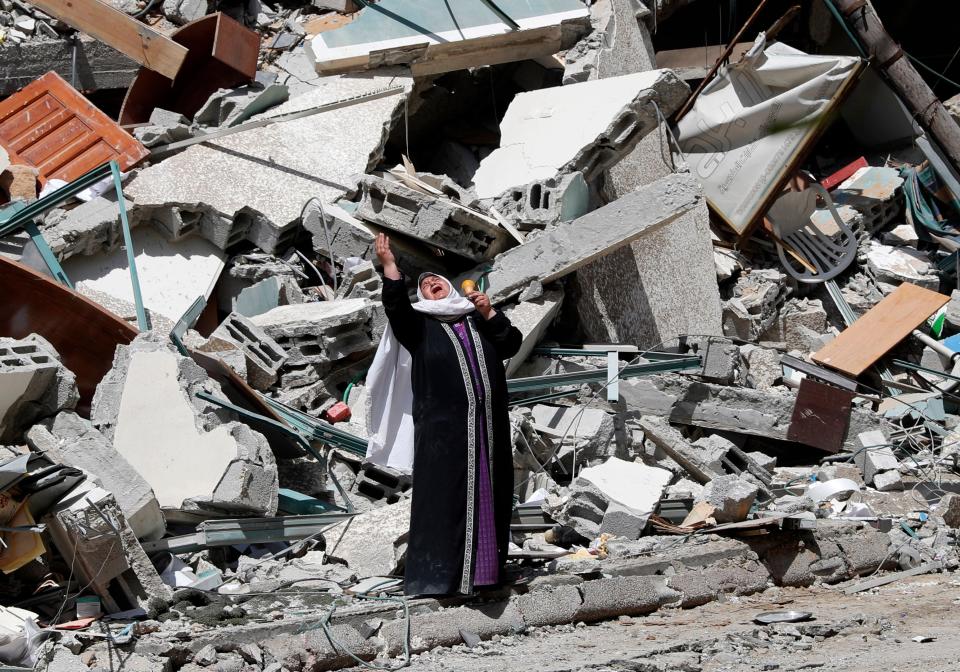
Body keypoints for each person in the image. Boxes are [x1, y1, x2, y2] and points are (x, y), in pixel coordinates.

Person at [366, 232, 522, 596]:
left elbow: (510, 343)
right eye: (424, 284)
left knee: (488, 495)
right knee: (445, 501)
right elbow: (395, 309)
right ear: (421, 297)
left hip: (487, 429)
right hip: (443, 434)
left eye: (436, 279)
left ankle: (485, 575)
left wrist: (488, 311)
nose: (432, 283)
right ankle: (441, 579)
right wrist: (390, 266)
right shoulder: (419, 326)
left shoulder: (475, 319)